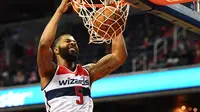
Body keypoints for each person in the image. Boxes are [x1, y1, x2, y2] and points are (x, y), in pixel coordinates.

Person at [37, 0, 128, 111]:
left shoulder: (87, 72)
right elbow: (43, 45)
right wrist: (60, 11)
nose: (72, 43)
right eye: (67, 41)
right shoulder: (49, 73)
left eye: (74, 42)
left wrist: (114, 25)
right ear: (56, 50)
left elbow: (119, 57)